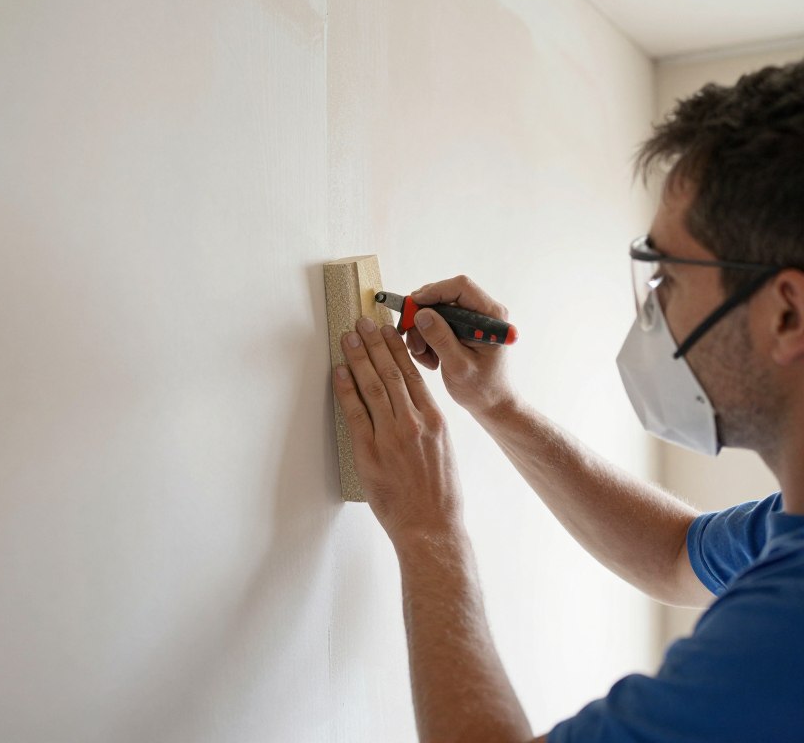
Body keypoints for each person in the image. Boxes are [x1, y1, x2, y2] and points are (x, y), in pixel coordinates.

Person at [331, 58, 804, 742]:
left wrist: (429, 533)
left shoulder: (784, 635)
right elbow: (676, 555)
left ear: (787, 314)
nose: (654, 309)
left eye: (667, 275)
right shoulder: (786, 534)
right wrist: (498, 406)